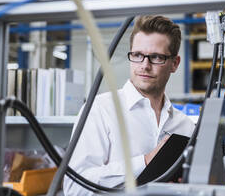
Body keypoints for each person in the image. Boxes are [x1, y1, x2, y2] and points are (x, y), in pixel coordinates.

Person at [63, 15, 195, 195]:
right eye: (138, 55)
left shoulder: (185, 126)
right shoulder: (99, 110)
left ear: (174, 64)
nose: (145, 66)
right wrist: (145, 162)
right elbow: (75, 188)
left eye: (156, 57)